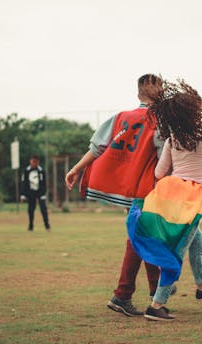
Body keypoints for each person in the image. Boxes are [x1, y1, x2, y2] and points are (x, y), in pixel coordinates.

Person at [126, 79, 202, 321]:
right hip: (191, 198)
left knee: (198, 239)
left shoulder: (172, 139)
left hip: (170, 192)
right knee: (178, 250)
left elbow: (160, 173)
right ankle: (156, 305)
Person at [65, 74, 164, 317]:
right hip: (146, 190)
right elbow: (164, 159)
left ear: (138, 92)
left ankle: (153, 296)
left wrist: (76, 168)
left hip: (127, 188)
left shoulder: (120, 118)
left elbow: (97, 147)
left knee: (144, 238)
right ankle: (125, 295)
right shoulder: (160, 121)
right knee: (141, 240)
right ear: (156, 90)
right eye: (161, 86)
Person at [20, 155, 50, 231]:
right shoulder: (26, 171)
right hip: (31, 192)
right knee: (30, 210)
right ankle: (31, 226)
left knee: (43, 209)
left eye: (36, 162)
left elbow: (44, 183)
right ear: (30, 161)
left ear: (38, 162)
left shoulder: (41, 171)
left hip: (40, 193)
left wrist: (43, 193)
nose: (34, 163)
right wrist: (23, 194)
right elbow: (24, 183)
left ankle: (47, 226)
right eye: (33, 161)